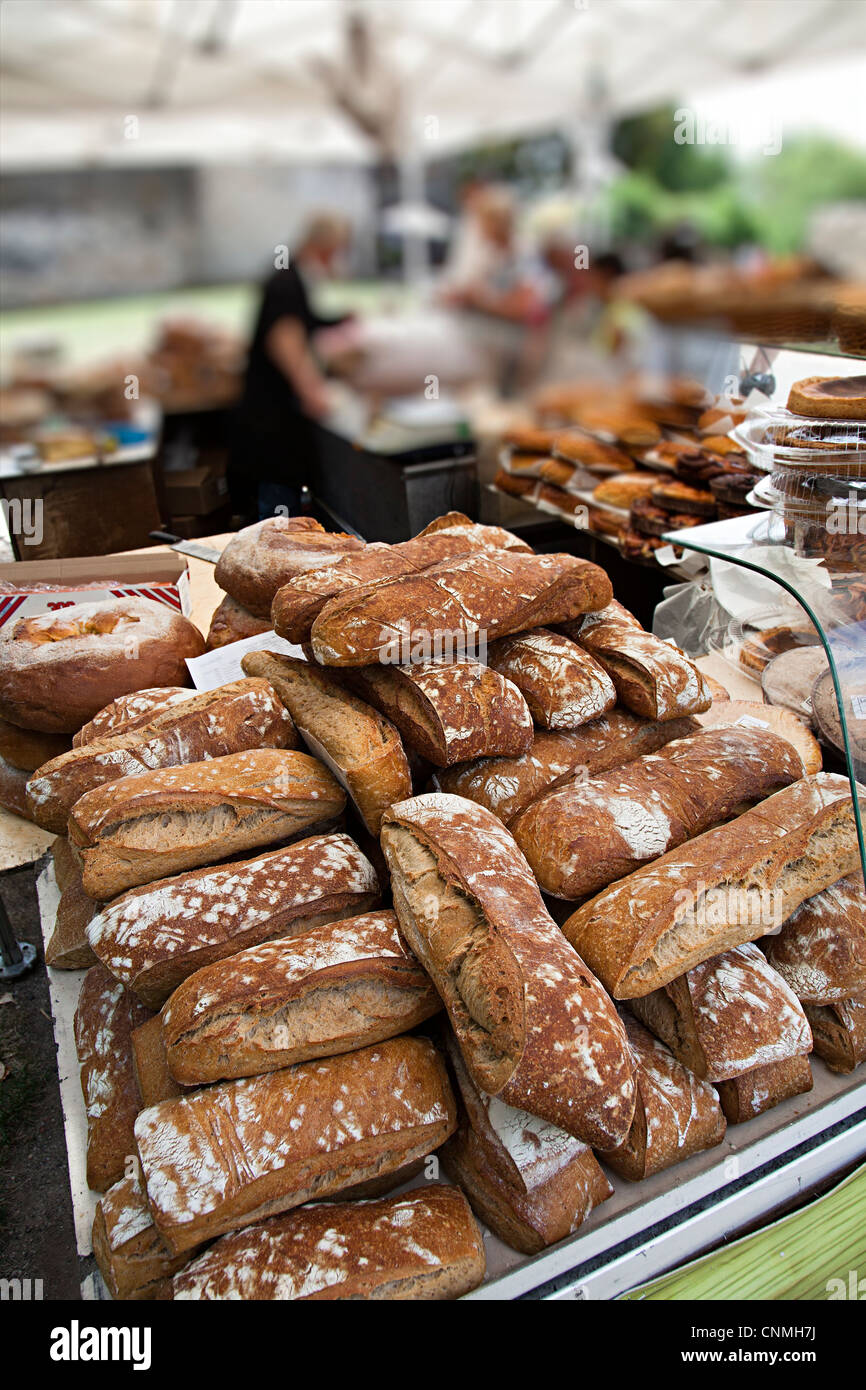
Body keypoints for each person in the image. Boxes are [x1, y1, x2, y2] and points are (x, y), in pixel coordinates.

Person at [228, 213, 353, 521]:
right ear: (328, 249)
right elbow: (286, 341)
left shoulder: (292, 276)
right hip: (272, 425)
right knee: (277, 524)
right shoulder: (287, 281)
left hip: (271, 420)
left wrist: (342, 319)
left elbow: (304, 321)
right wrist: (313, 393)